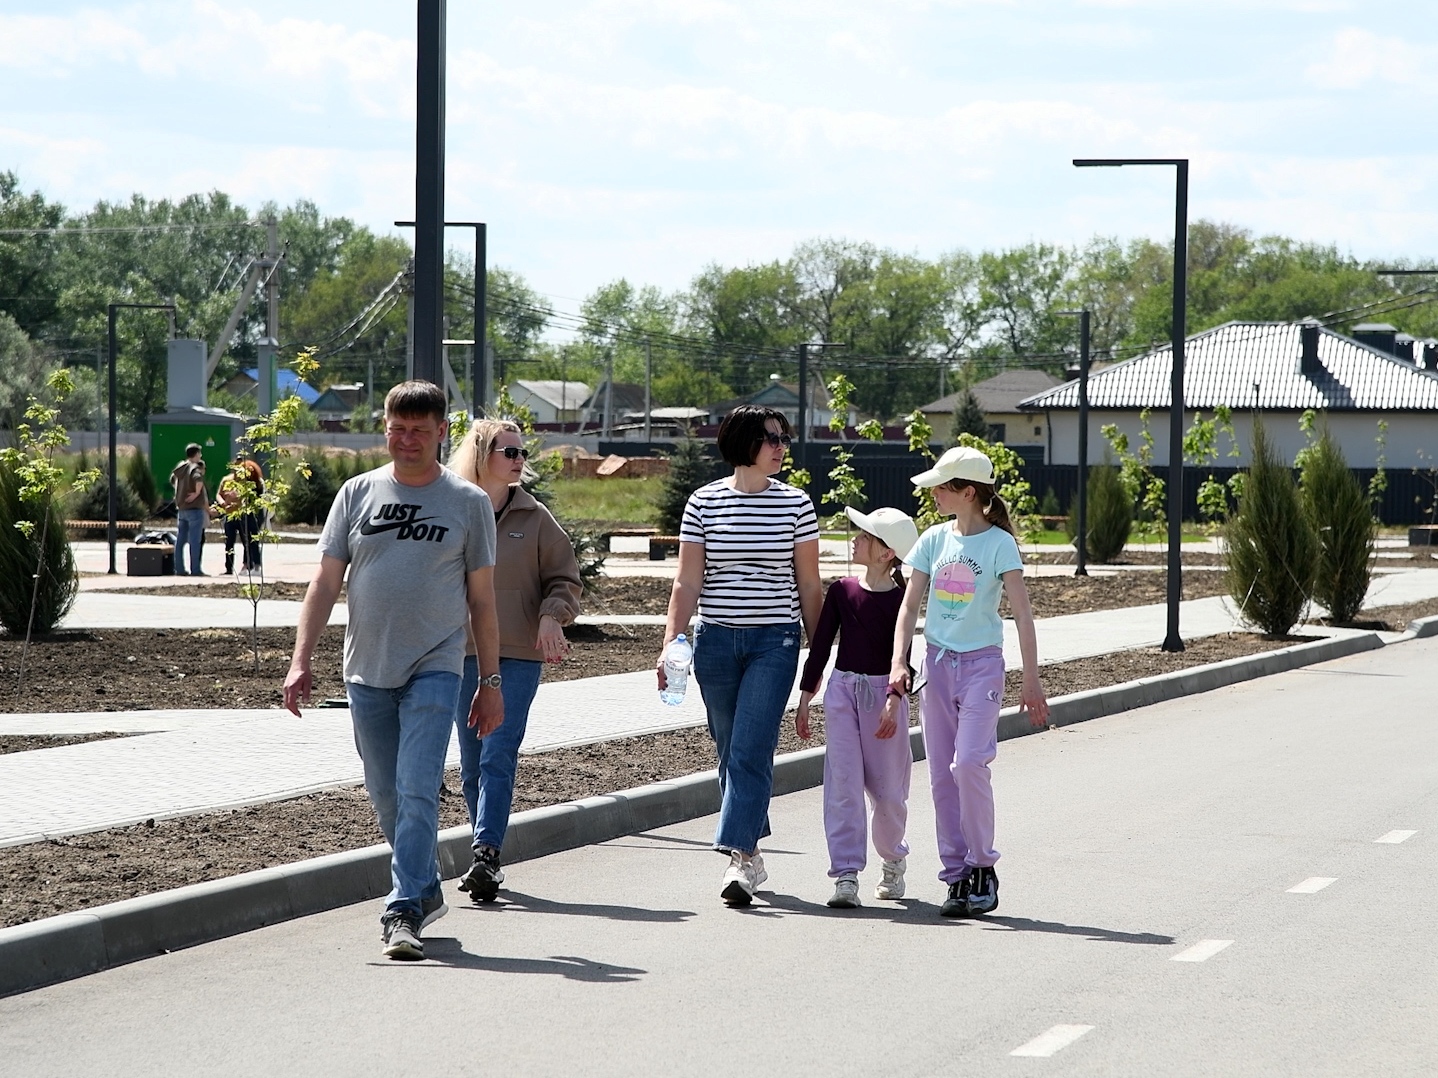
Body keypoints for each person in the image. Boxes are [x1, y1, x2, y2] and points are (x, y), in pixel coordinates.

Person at [283, 380, 504, 961]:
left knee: (415, 787)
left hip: (436, 666)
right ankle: (426, 887)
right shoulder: (357, 494)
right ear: (385, 427)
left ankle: (402, 908)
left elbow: (482, 601)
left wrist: (491, 681)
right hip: (366, 670)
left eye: (420, 431)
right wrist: (301, 658)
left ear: (440, 433)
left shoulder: (467, 503)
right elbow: (326, 582)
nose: (407, 440)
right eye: (397, 428)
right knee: (385, 793)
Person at [657, 404, 822, 906]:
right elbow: (688, 581)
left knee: (751, 746)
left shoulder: (796, 504)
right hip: (715, 642)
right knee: (730, 748)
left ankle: (738, 856)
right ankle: (751, 850)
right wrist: (670, 642)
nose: (780, 448)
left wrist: (819, 658)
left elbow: (809, 583)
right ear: (743, 443)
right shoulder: (703, 502)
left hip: (775, 641)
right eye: (771, 438)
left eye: (783, 439)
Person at [890, 445, 1049, 919]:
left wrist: (1032, 680)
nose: (935, 494)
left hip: (982, 665)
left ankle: (983, 866)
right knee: (941, 776)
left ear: (969, 492)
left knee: (969, 765)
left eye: (943, 487)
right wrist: (900, 660)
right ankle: (956, 876)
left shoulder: (1000, 544)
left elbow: (1022, 615)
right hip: (937, 667)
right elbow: (908, 606)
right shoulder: (934, 540)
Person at [447, 418, 582, 902]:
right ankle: (484, 849)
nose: (519, 461)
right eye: (509, 453)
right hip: (460, 652)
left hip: (519, 655)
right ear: (483, 456)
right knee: (471, 763)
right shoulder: (455, 508)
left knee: (499, 751)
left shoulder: (535, 516)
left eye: (521, 452)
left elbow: (565, 578)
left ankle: (485, 853)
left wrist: (552, 616)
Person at [796, 505, 919, 910]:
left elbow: (905, 657)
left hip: (885, 701)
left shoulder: (902, 600)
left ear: (887, 553)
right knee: (843, 786)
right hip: (842, 695)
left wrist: (894, 699)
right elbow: (821, 645)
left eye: (866, 536)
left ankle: (893, 856)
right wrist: (806, 696)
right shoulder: (841, 591)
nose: (856, 539)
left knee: (888, 795)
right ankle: (846, 874)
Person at [215, 458, 265, 575]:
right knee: (229, 542)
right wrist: (223, 503)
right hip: (230, 514)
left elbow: (252, 497)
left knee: (248, 541)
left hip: (245, 515)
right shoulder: (227, 480)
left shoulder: (248, 481)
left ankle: (249, 565)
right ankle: (229, 567)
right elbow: (219, 494)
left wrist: (238, 496)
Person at [170, 443, 207, 575]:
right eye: (199, 454)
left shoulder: (181, 467)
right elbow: (198, 480)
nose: (200, 456)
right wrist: (196, 493)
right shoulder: (194, 468)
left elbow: (172, 480)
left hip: (181, 508)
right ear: (196, 454)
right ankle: (195, 570)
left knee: (180, 540)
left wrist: (180, 492)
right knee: (194, 541)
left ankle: (179, 569)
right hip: (194, 508)